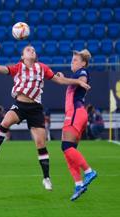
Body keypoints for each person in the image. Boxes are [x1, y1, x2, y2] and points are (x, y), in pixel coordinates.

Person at [0, 42, 90, 191]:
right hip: (20, 105)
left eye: (33, 50)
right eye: (28, 50)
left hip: (35, 109)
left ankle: (46, 178)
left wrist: (77, 81)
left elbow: (59, 80)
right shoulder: (18, 67)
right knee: (5, 121)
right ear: (22, 56)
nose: (31, 51)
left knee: (41, 143)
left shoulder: (42, 68)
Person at [60, 49, 97, 201]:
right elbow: (75, 81)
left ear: (83, 63)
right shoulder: (76, 75)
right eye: (72, 59)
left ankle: (88, 171)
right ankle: (78, 184)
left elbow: (83, 78)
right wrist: (65, 79)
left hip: (75, 112)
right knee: (69, 151)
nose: (72, 61)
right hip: (78, 114)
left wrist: (71, 80)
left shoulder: (82, 72)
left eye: (76, 59)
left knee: (66, 147)